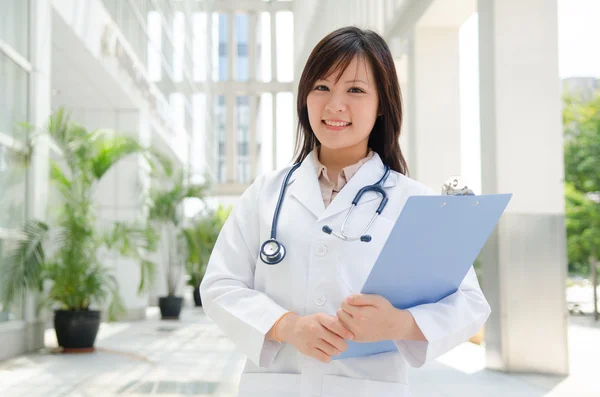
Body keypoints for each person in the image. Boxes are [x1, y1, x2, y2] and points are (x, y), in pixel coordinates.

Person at [200, 26, 491, 397]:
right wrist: (286, 326)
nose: (334, 105)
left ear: (382, 103)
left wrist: (400, 324)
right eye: (321, 87)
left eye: (354, 89)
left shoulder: (412, 201)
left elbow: (470, 304)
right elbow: (219, 286)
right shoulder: (265, 194)